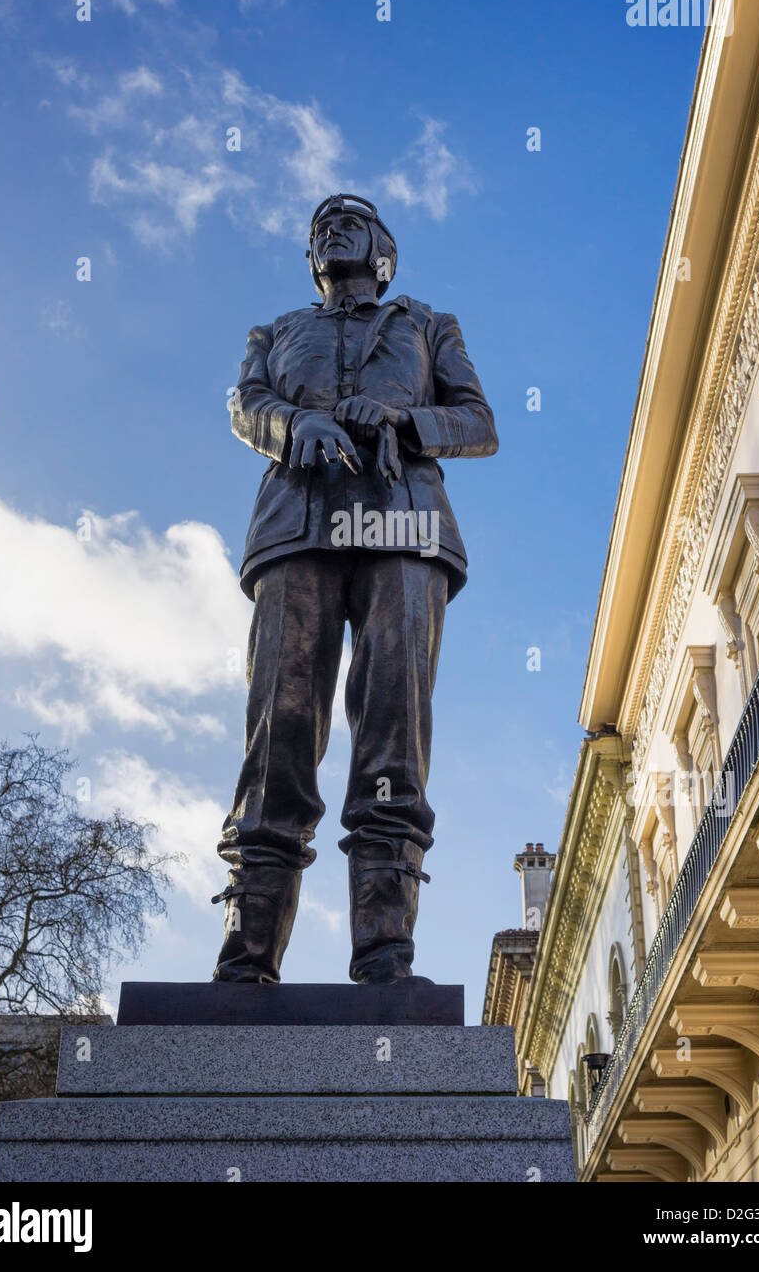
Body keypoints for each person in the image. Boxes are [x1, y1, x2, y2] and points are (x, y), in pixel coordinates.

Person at [213, 192, 498, 984]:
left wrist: (404, 422)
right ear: (311, 261)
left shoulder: (427, 325)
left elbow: (478, 422)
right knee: (278, 728)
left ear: (383, 254)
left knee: (392, 730)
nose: (330, 230)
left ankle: (383, 954)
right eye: (319, 231)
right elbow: (245, 403)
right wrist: (292, 424)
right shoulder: (273, 333)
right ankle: (245, 960)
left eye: (351, 225)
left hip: (402, 528)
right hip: (295, 529)